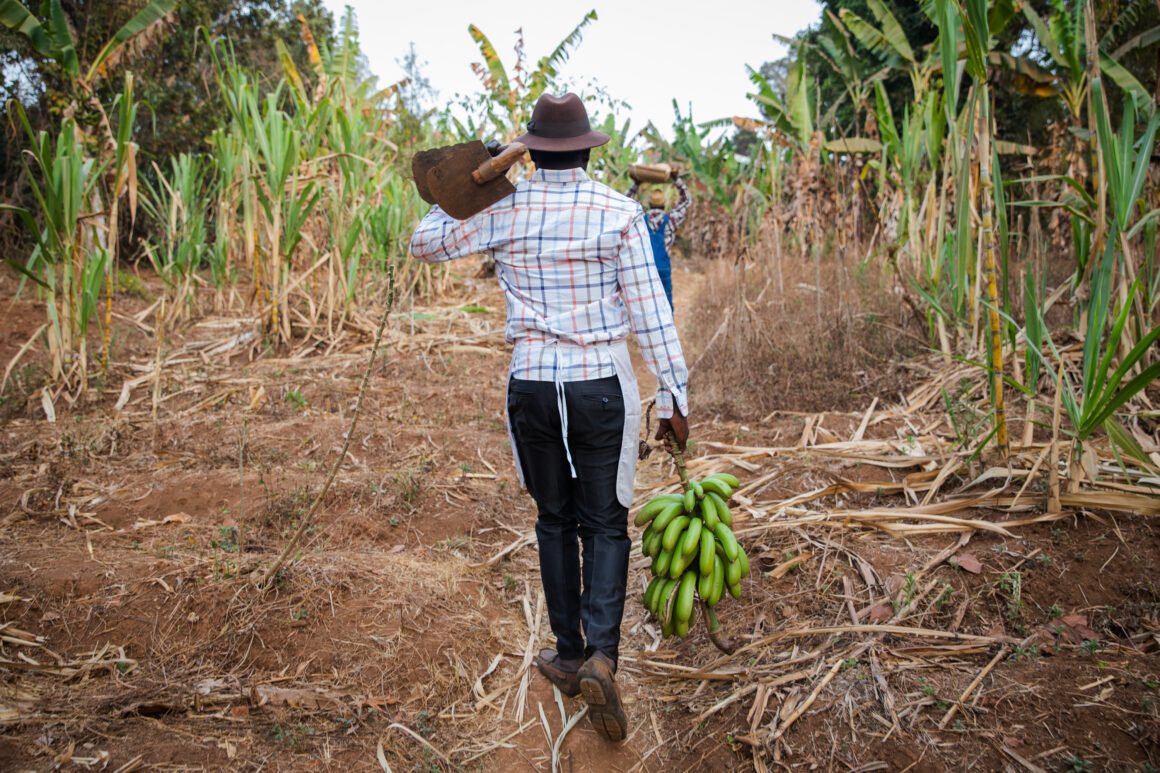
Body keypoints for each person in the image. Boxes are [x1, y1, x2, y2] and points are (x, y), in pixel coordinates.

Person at [409, 93, 690, 743]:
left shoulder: (504, 207)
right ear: (591, 149)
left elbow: (426, 243)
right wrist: (673, 398)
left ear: (528, 150)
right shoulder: (618, 212)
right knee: (607, 521)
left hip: (532, 385)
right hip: (598, 385)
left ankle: (568, 652)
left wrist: (469, 178)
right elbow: (651, 316)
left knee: (554, 518)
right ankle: (602, 657)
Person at [626, 168, 690, 310]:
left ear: (649, 204)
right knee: (666, 303)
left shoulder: (640, 219)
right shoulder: (671, 220)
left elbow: (625, 202)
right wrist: (676, 180)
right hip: (663, 268)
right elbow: (686, 200)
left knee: (646, 306)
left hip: (645, 268)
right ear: (664, 204)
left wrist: (636, 184)